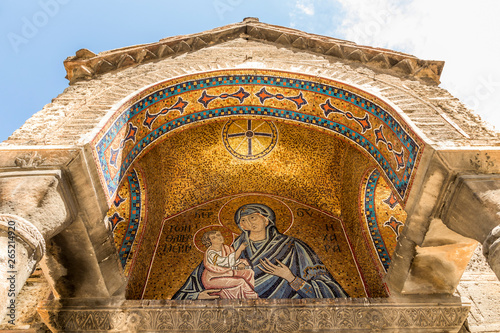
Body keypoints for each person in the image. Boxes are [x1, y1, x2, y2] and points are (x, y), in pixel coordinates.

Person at [172, 204, 348, 300]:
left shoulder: (293, 247)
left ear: (266, 220)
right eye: (243, 220)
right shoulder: (229, 250)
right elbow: (198, 280)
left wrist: (291, 278)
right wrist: (196, 296)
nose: (248, 223)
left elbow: (332, 293)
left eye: (253, 217)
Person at [200, 230, 258, 299]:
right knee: (241, 281)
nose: (218, 237)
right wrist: (239, 250)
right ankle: (252, 298)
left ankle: (244, 296)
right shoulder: (211, 254)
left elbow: (232, 262)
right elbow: (225, 262)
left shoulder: (226, 248)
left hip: (227, 273)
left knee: (249, 272)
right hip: (214, 278)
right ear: (209, 241)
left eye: (218, 235)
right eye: (214, 237)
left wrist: (240, 264)